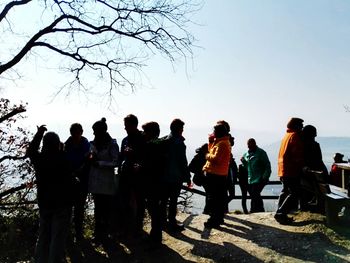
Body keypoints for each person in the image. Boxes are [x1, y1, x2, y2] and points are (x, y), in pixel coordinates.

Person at [27, 125, 75, 263]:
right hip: (62, 203)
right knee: (57, 237)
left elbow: (31, 151)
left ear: (44, 144)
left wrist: (39, 133)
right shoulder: (63, 159)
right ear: (57, 144)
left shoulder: (40, 159)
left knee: (43, 235)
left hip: (45, 202)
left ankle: (40, 260)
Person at [88, 118, 119, 244]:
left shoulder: (112, 144)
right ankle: (98, 234)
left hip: (106, 183)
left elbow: (116, 162)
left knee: (106, 210)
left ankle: (105, 235)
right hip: (96, 182)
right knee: (98, 209)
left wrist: (99, 163)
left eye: (95, 131)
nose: (94, 134)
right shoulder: (94, 144)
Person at [160, 118, 191, 232]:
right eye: (182, 128)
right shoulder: (178, 143)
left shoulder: (164, 140)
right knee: (173, 200)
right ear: (179, 129)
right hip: (175, 176)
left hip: (163, 176)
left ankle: (163, 222)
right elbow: (183, 161)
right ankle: (172, 223)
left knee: (163, 200)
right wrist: (187, 177)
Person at [118, 114, 146, 237]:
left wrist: (133, 154)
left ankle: (137, 227)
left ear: (133, 125)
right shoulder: (125, 140)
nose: (125, 128)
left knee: (139, 202)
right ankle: (126, 227)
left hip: (138, 176)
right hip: (125, 174)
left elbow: (145, 156)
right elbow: (121, 157)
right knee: (124, 201)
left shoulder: (142, 139)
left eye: (127, 125)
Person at [274, 117, 304, 224]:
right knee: (294, 193)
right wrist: (302, 166)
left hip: (283, 169)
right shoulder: (294, 136)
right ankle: (281, 213)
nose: (302, 128)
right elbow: (297, 154)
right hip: (291, 169)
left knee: (285, 191)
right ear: (296, 126)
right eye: (301, 126)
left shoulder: (286, 136)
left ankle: (279, 213)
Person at [64, 123, 90, 241]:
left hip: (82, 180)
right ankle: (68, 234)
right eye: (73, 133)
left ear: (81, 132)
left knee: (79, 209)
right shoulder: (66, 145)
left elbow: (88, 161)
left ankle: (78, 234)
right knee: (68, 209)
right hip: (69, 181)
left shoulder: (86, 145)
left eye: (77, 133)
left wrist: (80, 170)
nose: (75, 135)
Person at [202, 123, 231, 228]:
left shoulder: (222, 143)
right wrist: (210, 143)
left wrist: (206, 155)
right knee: (217, 198)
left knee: (214, 198)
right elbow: (213, 152)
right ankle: (217, 218)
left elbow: (216, 159)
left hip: (216, 174)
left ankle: (214, 220)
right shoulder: (220, 142)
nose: (213, 133)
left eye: (215, 131)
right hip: (218, 174)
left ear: (219, 132)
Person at [141, 121, 165, 245]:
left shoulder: (151, 146)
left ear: (151, 132)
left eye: (145, 131)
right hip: (159, 184)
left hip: (152, 184)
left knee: (154, 211)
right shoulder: (162, 145)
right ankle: (156, 237)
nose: (144, 134)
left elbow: (150, 165)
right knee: (156, 212)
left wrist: (139, 167)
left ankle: (155, 239)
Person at [300, 125, 328, 210]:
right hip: (315, 173)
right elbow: (319, 159)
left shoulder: (301, 145)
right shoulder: (315, 145)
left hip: (308, 172)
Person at [241, 138, 271, 213]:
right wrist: (244, 162)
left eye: (251, 144)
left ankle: (256, 210)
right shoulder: (246, 155)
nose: (249, 146)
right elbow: (247, 167)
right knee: (254, 195)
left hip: (260, 178)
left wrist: (265, 176)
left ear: (255, 144)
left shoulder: (261, 153)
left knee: (255, 194)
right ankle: (257, 210)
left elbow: (267, 165)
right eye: (248, 145)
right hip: (250, 179)